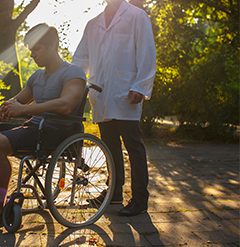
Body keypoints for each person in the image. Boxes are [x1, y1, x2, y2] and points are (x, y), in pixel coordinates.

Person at [0, 23, 86, 232]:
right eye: (30, 50)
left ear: (53, 45)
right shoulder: (37, 77)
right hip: (34, 127)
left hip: (57, 132)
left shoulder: (73, 73)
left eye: (37, 49)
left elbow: (66, 104)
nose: (32, 54)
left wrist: (24, 110)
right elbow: (20, 100)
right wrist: (8, 106)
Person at [72, 0, 156, 216]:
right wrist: (72, 84)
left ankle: (139, 198)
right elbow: (80, 58)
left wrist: (140, 86)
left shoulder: (137, 17)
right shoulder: (93, 24)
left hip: (126, 92)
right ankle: (114, 193)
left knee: (133, 144)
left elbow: (147, 53)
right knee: (109, 146)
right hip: (100, 94)